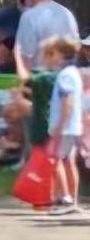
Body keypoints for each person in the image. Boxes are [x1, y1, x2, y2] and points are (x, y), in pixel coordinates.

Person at [42, 36, 83, 214]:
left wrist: (60, 125)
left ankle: (64, 198)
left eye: (53, 53)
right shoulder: (74, 73)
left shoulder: (65, 75)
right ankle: (72, 200)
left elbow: (68, 100)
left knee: (54, 159)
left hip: (65, 126)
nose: (52, 56)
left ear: (61, 54)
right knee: (68, 161)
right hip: (72, 126)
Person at [14, 0, 78, 77]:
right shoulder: (67, 14)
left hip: (41, 82)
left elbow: (24, 58)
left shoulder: (29, 17)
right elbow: (75, 51)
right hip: (65, 80)